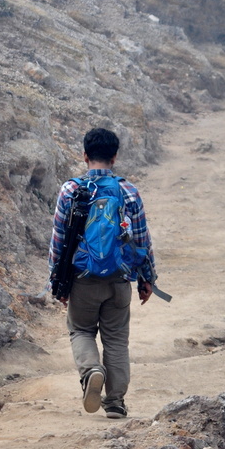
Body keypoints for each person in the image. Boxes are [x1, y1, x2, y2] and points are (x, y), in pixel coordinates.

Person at [48, 127, 156, 418]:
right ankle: (115, 402)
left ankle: (91, 370)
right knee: (117, 340)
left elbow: (59, 240)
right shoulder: (128, 191)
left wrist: (57, 283)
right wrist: (148, 279)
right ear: (115, 157)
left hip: (82, 278)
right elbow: (142, 239)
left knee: (81, 330)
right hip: (119, 279)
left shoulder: (71, 190)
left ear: (84, 155)